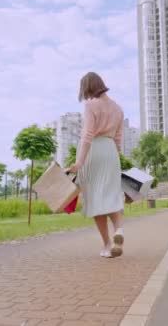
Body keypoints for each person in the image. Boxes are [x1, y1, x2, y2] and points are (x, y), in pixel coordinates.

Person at [67, 72, 125, 258]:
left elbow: (87, 136)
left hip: (93, 151)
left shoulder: (91, 105)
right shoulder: (118, 109)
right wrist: (114, 157)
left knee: (94, 198)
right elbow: (118, 139)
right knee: (111, 196)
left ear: (88, 88)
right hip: (110, 153)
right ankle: (119, 230)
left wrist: (79, 162)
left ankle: (108, 243)